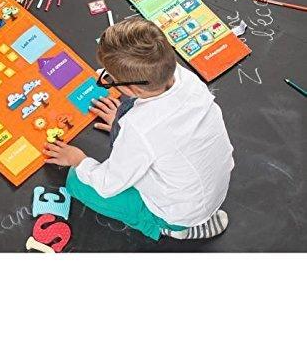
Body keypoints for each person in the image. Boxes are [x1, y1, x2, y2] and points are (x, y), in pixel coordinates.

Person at [43, 18, 234, 241]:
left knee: (77, 183)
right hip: (212, 189)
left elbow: (107, 184)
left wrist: (78, 160)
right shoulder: (188, 79)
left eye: (110, 78)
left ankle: (171, 228)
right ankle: (194, 218)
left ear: (132, 88)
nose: (105, 78)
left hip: (180, 213)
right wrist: (122, 122)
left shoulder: (139, 130)